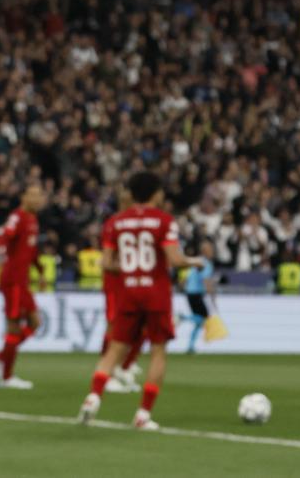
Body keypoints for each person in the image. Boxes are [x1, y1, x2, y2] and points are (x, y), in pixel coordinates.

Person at [78, 172, 204, 430]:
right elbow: (175, 259)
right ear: (156, 193)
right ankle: (143, 414)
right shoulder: (164, 221)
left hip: (128, 291)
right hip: (156, 293)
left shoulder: (116, 222)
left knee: (115, 348)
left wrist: (129, 270)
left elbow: (107, 263)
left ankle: (93, 397)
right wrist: (195, 261)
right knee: (158, 352)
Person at [0, 184, 48, 389]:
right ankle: (6, 377)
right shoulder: (18, 216)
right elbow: (6, 235)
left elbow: (32, 250)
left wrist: (40, 271)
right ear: (24, 197)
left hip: (23, 282)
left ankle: (1, 358)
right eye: (34, 195)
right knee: (13, 326)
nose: (38, 199)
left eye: (40, 196)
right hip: (12, 281)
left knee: (35, 322)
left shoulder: (33, 219)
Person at [100, 189, 144, 394]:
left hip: (129, 284)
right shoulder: (114, 223)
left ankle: (117, 368)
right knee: (113, 325)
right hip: (114, 283)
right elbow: (107, 261)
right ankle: (105, 373)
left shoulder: (133, 224)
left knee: (130, 327)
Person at [180, 239, 218, 354]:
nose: (212, 252)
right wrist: (212, 296)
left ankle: (190, 346)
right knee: (202, 318)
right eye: (210, 249)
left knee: (199, 321)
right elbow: (206, 280)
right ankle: (182, 317)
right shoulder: (205, 263)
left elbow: (185, 278)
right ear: (205, 251)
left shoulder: (196, 261)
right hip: (196, 293)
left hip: (190, 293)